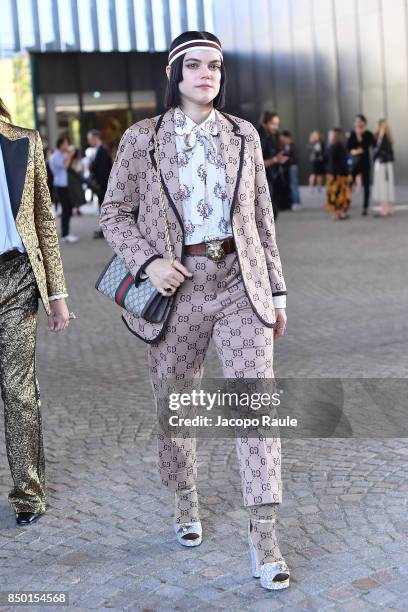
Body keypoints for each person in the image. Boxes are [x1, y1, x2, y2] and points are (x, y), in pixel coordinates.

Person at [100, 31, 290, 591]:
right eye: (195, 65)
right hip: (177, 287)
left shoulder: (243, 135)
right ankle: (185, 497)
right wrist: (149, 262)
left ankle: (265, 535)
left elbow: (261, 218)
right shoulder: (143, 139)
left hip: (238, 282)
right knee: (177, 404)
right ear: (174, 73)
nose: (207, 74)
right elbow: (113, 212)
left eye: (215, 66)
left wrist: (276, 292)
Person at [0, 98, 70, 526]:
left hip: (18, 276)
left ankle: (28, 494)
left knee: (18, 389)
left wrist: (57, 293)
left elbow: (44, 219)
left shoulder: (23, 142)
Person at [258, 111, 291, 218]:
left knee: (271, 214)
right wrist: (275, 159)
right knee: (269, 214)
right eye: (273, 124)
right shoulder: (259, 137)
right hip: (260, 182)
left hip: (269, 180)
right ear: (265, 123)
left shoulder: (270, 136)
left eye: (277, 124)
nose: (276, 127)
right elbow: (256, 164)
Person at [49, 136, 78, 242]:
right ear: (61, 145)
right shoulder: (55, 156)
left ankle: (67, 233)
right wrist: (70, 155)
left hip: (65, 185)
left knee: (68, 209)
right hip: (60, 186)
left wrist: (70, 154)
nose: (67, 146)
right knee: (65, 209)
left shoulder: (62, 154)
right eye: (66, 144)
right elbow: (65, 166)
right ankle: (65, 235)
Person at [87, 129, 113, 239]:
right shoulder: (99, 150)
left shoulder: (102, 151)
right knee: (102, 209)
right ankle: (104, 230)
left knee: (104, 209)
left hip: (103, 186)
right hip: (102, 186)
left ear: (94, 138)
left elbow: (103, 171)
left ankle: (105, 231)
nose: (88, 141)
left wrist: (100, 186)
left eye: (89, 138)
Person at [347, 114, 375, 216]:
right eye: (356, 121)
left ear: (364, 122)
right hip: (354, 163)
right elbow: (349, 147)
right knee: (349, 183)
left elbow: (366, 146)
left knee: (366, 185)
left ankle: (365, 207)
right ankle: (346, 203)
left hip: (365, 162)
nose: (357, 123)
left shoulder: (368, 134)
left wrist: (359, 136)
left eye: (359, 121)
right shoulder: (351, 134)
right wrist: (355, 150)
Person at [325, 128, 351, 220]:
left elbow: (344, 162)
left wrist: (347, 173)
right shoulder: (330, 146)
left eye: (331, 135)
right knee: (334, 194)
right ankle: (337, 213)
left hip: (339, 175)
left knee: (338, 194)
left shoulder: (339, 147)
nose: (329, 136)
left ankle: (339, 212)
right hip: (332, 174)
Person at [373, 118, 395, 217]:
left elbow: (382, 151)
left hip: (384, 165)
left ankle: (385, 209)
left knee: (384, 186)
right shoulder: (379, 137)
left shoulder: (384, 138)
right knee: (384, 185)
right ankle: (387, 208)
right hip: (382, 164)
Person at [281, 130, 301, 210]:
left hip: (293, 167)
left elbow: (294, 157)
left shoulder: (293, 146)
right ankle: (294, 202)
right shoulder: (286, 146)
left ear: (287, 138)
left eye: (283, 139)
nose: (282, 140)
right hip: (289, 167)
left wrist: (287, 159)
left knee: (294, 185)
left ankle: (296, 202)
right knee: (291, 185)